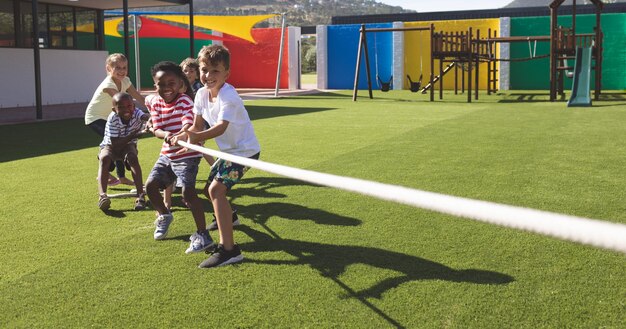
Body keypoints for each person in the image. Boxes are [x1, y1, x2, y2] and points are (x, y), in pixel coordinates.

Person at [172, 45, 260, 268]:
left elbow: (220, 127)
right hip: (229, 152)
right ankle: (231, 218)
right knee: (209, 189)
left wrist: (195, 137)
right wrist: (183, 135)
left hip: (245, 152)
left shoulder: (229, 95)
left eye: (215, 71)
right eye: (204, 70)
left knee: (216, 190)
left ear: (226, 74)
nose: (208, 76)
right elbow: (196, 125)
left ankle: (229, 250)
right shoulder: (201, 94)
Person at [144, 61, 212, 254]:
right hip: (167, 153)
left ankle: (203, 234)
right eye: (161, 84)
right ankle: (165, 215)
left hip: (187, 154)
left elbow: (188, 124)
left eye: (171, 83)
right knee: (150, 186)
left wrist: (181, 134)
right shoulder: (156, 101)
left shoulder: (184, 101)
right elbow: (156, 128)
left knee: (188, 195)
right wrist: (166, 135)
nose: (166, 88)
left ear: (180, 83)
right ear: (155, 84)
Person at [86, 53, 145, 186]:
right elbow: (123, 106)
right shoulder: (108, 84)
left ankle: (121, 177)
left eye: (124, 67)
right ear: (108, 69)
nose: (122, 71)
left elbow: (139, 98)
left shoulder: (126, 81)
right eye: (117, 68)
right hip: (95, 118)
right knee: (116, 142)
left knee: (120, 141)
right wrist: (143, 117)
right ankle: (106, 170)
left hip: (110, 117)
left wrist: (154, 110)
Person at [97, 92, 149, 211]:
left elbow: (146, 117)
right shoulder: (113, 118)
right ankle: (102, 196)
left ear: (134, 106)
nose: (126, 110)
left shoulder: (136, 113)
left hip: (128, 144)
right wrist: (136, 134)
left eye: (129, 106)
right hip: (111, 145)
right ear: (114, 109)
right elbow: (116, 144)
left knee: (132, 158)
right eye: (121, 107)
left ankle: (140, 196)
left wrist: (150, 122)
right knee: (104, 158)